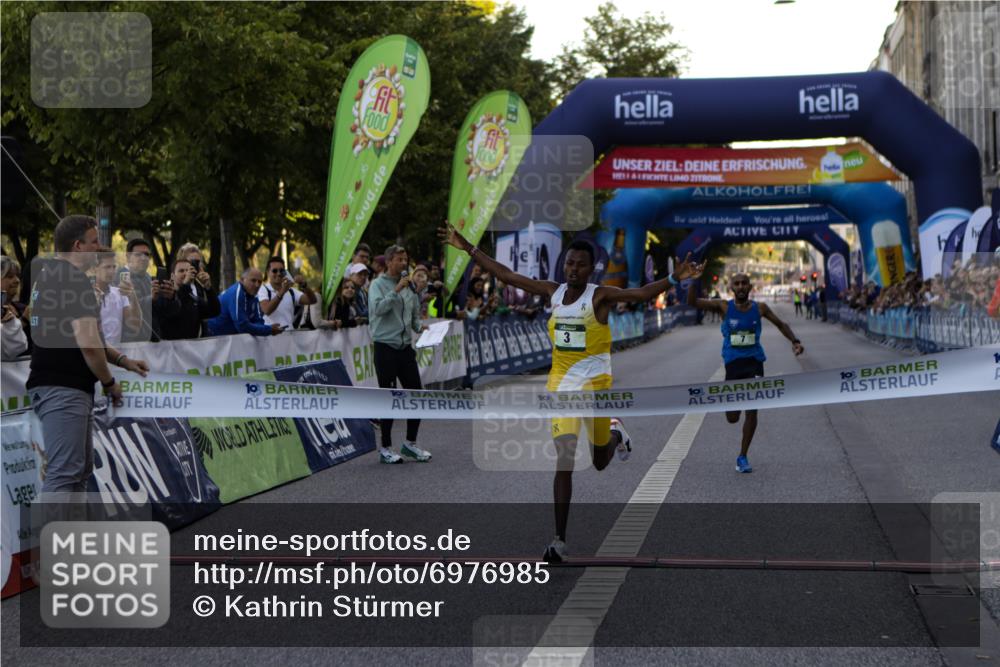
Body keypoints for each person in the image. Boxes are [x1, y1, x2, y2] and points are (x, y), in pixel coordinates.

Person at [441, 222, 698, 563]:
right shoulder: (554, 292)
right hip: (561, 388)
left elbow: (639, 295)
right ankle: (559, 539)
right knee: (564, 461)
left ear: (591, 268)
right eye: (569, 263)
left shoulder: (601, 296)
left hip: (597, 389)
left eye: (579, 264)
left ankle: (615, 433)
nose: (572, 269)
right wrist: (469, 248)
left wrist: (673, 279)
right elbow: (507, 276)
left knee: (600, 461)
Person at [26, 215, 149, 494]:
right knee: (65, 473)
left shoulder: (49, 274)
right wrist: (109, 383)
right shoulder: (73, 279)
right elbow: (89, 344)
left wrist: (124, 361)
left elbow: (87, 338)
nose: (100, 246)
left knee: (78, 472)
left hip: (64, 386)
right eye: (94, 241)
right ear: (78, 246)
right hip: (62, 388)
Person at [686, 271, 804, 473]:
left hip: (754, 363)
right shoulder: (723, 306)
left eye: (744, 283)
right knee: (732, 417)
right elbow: (692, 302)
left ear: (750, 287)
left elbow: (781, 324)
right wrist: (693, 279)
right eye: (737, 283)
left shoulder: (760, 308)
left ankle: (743, 456)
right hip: (733, 365)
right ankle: (737, 408)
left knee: (752, 410)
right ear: (732, 287)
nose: (740, 287)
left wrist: (795, 341)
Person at [368, 244, 430, 464]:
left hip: (405, 349)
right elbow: (377, 310)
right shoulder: (377, 285)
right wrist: (395, 291)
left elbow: (412, 316)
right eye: (400, 260)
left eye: (406, 259)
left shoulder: (410, 287)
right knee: (389, 398)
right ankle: (385, 447)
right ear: (389, 262)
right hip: (385, 347)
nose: (404, 263)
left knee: (417, 395)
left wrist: (420, 326)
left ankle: (410, 444)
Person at [206, 267, 285, 337]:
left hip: (227, 340)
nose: (257, 285)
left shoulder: (253, 295)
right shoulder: (236, 293)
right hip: (213, 338)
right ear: (242, 280)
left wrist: (265, 330)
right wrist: (268, 330)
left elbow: (258, 321)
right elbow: (242, 326)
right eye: (253, 280)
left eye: (259, 282)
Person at [159, 258, 221, 340]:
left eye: (188, 271)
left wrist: (208, 288)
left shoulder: (193, 298)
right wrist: (185, 285)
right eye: (181, 271)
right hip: (171, 349)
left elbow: (215, 311)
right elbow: (176, 308)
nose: (186, 274)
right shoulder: (165, 296)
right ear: (172, 276)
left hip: (192, 350)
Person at [93, 250, 141, 345]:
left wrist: (133, 296)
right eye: (107, 267)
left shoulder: (119, 293)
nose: (112, 271)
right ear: (95, 269)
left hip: (115, 357)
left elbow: (135, 326)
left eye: (114, 267)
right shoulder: (85, 293)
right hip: (93, 355)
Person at [258, 256, 317, 330]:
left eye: (281, 270)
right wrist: (282, 291)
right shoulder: (263, 289)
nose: (279, 273)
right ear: (268, 272)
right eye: (275, 271)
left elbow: (312, 300)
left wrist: (304, 285)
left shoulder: (291, 291)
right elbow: (267, 310)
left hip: (289, 336)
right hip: (270, 337)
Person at [1, 256, 29, 358]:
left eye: (17, 276)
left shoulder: (22, 308)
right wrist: (24, 320)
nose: (17, 280)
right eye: (10, 276)